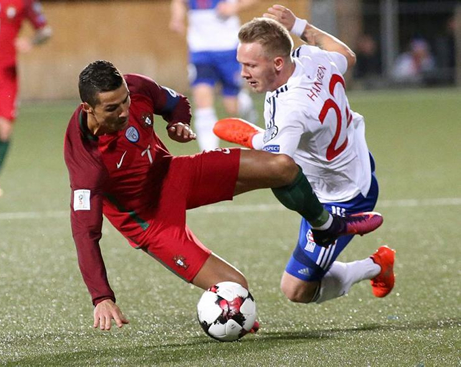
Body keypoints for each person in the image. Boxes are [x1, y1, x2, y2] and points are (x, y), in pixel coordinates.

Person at [63, 60, 382, 330]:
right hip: (149, 221)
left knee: (282, 167)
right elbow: (85, 233)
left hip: (174, 175)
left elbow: (176, 103)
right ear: (87, 108)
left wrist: (178, 122)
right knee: (235, 290)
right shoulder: (86, 165)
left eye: (125, 102)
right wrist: (102, 296)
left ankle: (327, 225)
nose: (123, 112)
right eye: (111, 108)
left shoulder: (137, 87)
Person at [213, 6, 395, 305]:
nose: (243, 74)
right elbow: (347, 56)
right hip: (352, 161)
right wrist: (299, 24)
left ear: (278, 62)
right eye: (241, 64)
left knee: (295, 290)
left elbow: (277, 169)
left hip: (340, 197)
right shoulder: (309, 56)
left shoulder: (292, 110)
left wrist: (227, 169)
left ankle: (376, 265)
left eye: (251, 66)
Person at [0, 0, 52, 198]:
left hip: (5, 76)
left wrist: (31, 42)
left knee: (5, 129)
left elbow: (45, 31)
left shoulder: (23, 2)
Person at [169, 0, 258, 151]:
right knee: (202, 98)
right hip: (201, 50)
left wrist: (235, 6)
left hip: (228, 49)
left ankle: (244, 104)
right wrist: (177, 18)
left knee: (232, 107)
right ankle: (208, 154)